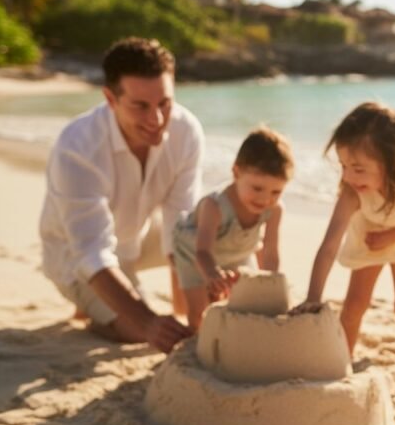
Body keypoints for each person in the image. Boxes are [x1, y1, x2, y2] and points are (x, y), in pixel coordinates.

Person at [40, 37, 205, 353]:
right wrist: (149, 324)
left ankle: (107, 304)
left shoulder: (186, 131)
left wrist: (191, 316)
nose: (156, 119)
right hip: (76, 259)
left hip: (137, 239)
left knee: (217, 235)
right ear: (110, 99)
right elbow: (91, 252)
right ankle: (87, 304)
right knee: (136, 330)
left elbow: (179, 226)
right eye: (140, 106)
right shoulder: (77, 146)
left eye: (164, 103)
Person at [294, 102, 395, 400]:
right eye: (344, 166)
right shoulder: (352, 192)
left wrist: (391, 236)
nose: (349, 177)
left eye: (359, 169)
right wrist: (313, 297)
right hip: (369, 239)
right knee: (353, 306)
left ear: (393, 161)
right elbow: (329, 244)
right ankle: (343, 365)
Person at [172, 126, 293, 329]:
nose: (265, 199)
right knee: (199, 311)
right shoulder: (215, 207)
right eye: (257, 188)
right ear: (236, 172)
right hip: (194, 254)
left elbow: (270, 252)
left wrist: (272, 284)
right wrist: (211, 275)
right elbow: (203, 251)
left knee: (247, 303)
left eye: (276, 191)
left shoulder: (275, 210)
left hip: (237, 253)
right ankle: (197, 344)